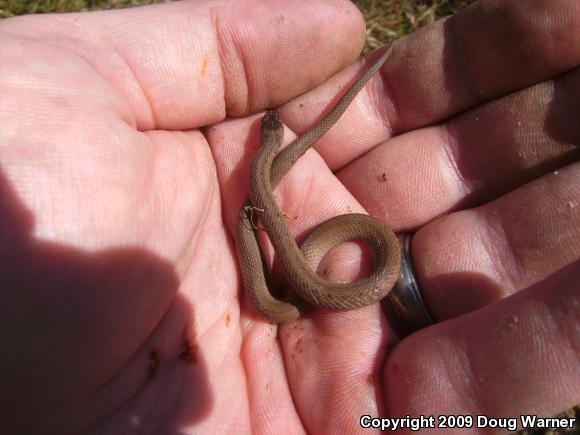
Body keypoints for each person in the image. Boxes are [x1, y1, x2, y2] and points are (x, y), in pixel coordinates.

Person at [0, 0, 578, 433]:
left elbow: (268, 214)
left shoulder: (261, 181)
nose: (268, 134)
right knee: (282, 271)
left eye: (269, 134)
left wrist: (266, 222)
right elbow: (271, 252)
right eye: (270, 136)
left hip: (294, 274)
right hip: (277, 298)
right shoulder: (261, 186)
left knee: (286, 251)